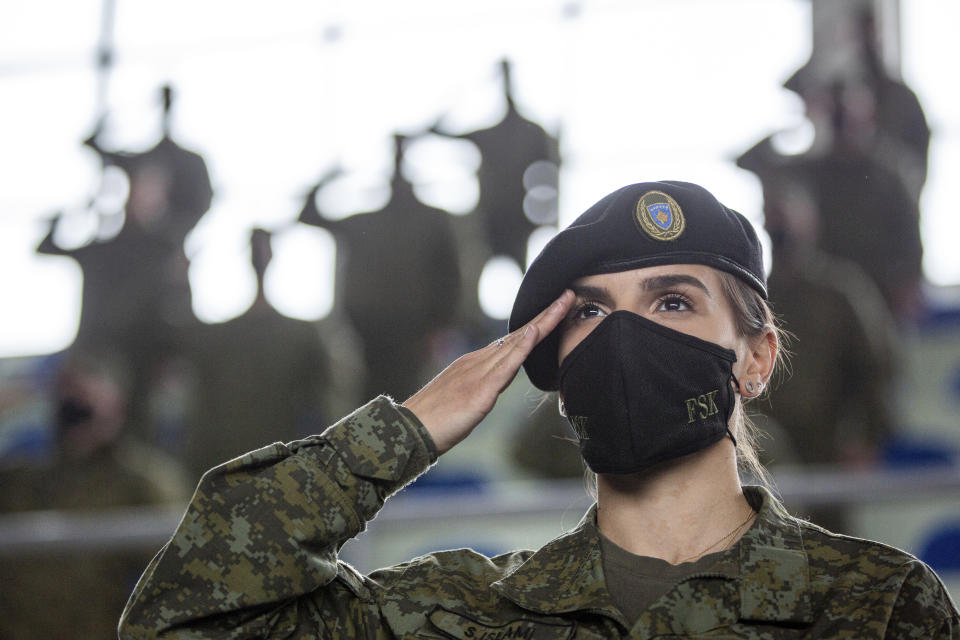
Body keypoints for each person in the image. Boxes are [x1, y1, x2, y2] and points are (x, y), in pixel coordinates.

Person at [118, 181, 959, 638]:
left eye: (671, 302)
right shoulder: (453, 614)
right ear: (554, 367)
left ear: (756, 358)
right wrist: (401, 432)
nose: (625, 338)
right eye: (590, 312)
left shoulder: (876, 607)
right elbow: (183, 620)